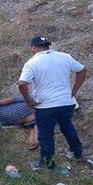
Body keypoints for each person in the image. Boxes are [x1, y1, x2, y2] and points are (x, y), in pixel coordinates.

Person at [18, 36, 87, 169]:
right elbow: (82, 70)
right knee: (67, 126)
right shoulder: (64, 56)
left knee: (46, 135)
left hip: (46, 106)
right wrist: (74, 91)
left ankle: (47, 164)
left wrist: (28, 101)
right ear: (47, 46)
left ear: (33, 47)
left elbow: (22, 84)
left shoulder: (32, 63)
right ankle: (77, 152)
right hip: (67, 103)